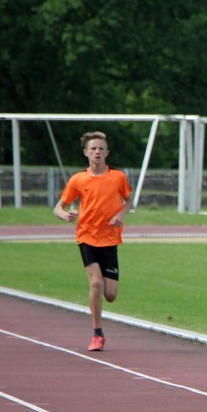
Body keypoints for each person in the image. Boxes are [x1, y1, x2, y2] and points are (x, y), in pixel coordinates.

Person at [53, 131, 132, 352]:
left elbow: (129, 200)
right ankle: (97, 334)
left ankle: (98, 322)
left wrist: (121, 214)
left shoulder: (118, 177)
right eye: (93, 148)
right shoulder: (78, 179)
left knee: (110, 294)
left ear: (107, 153)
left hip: (110, 238)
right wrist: (64, 214)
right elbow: (58, 207)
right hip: (87, 236)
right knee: (96, 283)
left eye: (101, 149)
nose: (97, 152)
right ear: (86, 153)